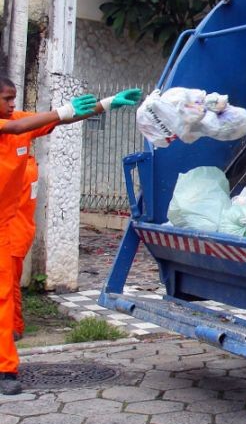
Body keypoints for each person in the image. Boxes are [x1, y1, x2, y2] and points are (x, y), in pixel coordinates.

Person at [0, 78, 142, 396]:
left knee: (4, 298)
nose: (12, 104)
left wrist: (106, 103)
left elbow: (58, 117)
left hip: (6, 227)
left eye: (14, 99)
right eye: (7, 98)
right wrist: (61, 111)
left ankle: (5, 368)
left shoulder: (19, 122)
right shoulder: (11, 127)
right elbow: (25, 125)